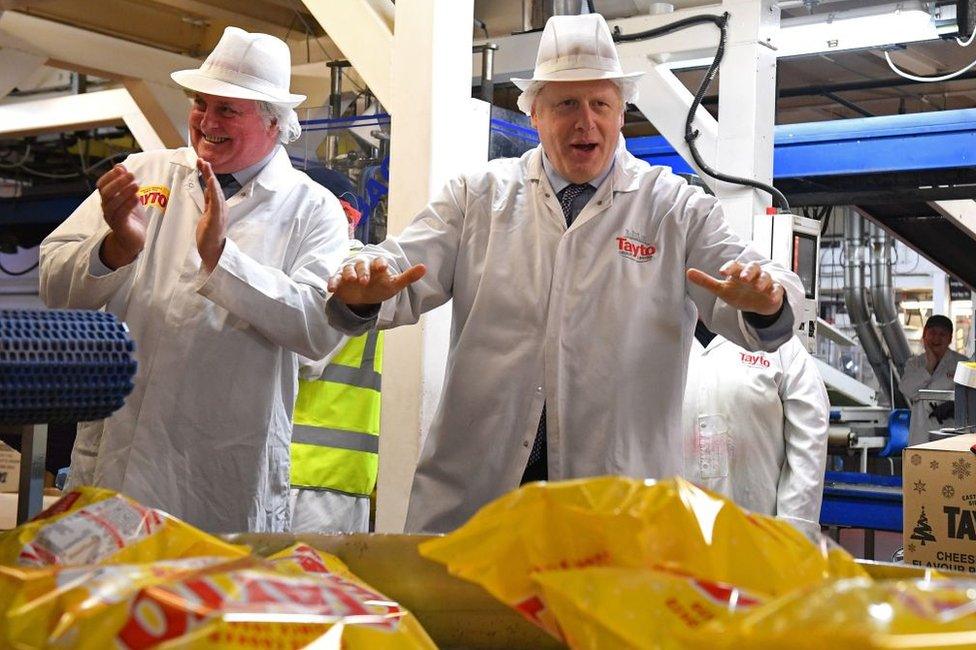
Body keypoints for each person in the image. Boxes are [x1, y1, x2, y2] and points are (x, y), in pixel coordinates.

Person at [325, 13, 803, 533]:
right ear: (534, 114)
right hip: (479, 499)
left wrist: (767, 301)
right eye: (566, 104)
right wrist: (363, 290)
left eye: (601, 104)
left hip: (618, 507)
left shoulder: (674, 209)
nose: (586, 121)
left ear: (621, 114)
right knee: (470, 615)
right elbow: (398, 268)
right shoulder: (477, 198)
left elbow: (764, 284)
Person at [38, 26, 348, 533]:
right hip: (120, 464)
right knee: (109, 606)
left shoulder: (313, 210)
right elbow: (53, 282)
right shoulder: (143, 173)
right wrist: (115, 250)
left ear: (275, 122)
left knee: (210, 607)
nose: (207, 121)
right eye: (201, 103)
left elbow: (319, 331)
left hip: (224, 479)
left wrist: (221, 259)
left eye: (228, 109)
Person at [290, 174, 383, 533]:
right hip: (336, 477)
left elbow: (304, 354)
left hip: (309, 476)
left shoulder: (345, 270)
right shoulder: (362, 269)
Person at [682, 322, 829, 539]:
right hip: (674, 538)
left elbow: (809, 437)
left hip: (761, 537)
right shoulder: (661, 341)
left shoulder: (781, 347)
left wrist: (793, 534)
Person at [900, 314, 969, 446]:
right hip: (921, 434)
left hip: (951, 433)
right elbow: (908, 390)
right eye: (932, 333)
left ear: (950, 338)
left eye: (942, 334)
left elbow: (971, 398)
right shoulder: (914, 363)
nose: (936, 338)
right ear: (924, 335)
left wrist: (955, 406)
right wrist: (929, 365)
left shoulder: (962, 363)